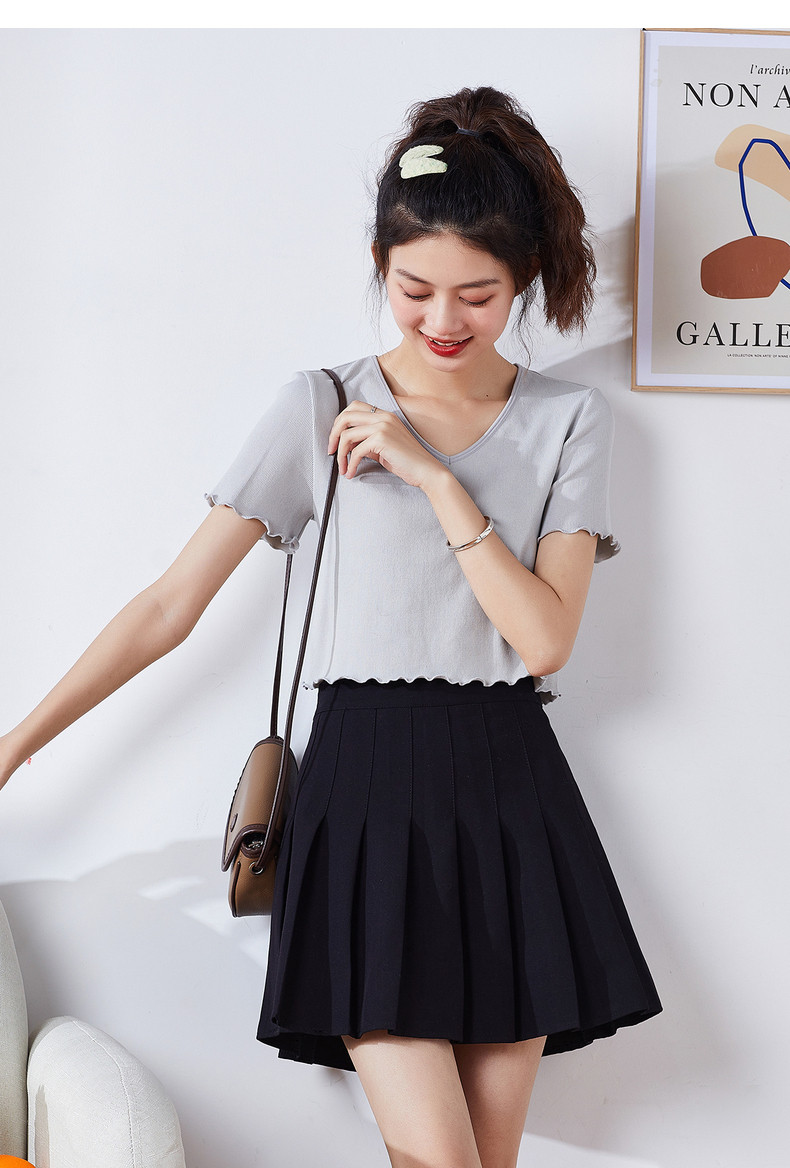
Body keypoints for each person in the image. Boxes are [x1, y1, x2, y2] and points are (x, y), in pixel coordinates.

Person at [0, 86, 662, 1168]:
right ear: (379, 264)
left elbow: (545, 640)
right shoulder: (318, 405)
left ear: (526, 277)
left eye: (478, 295)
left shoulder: (567, 420)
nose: (442, 321)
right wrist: (16, 744)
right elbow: (170, 604)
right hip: (365, 797)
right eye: (414, 290)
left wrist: (431, 478)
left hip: (510, 795)